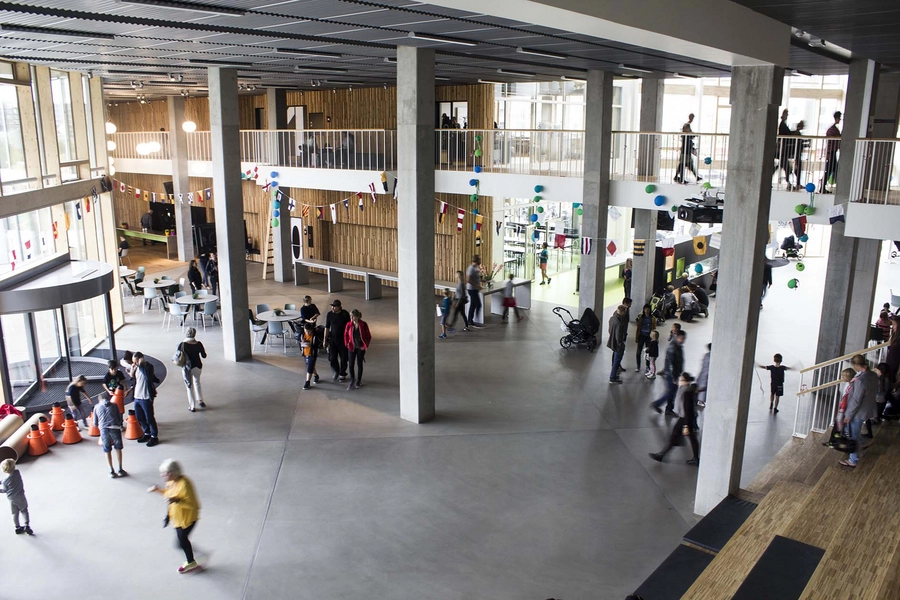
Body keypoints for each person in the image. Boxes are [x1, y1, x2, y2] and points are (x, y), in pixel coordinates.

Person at [147, 459, 202, 573]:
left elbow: (190, 504)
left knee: (181, 541)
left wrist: (176, 500)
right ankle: (190, 552)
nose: (162, 476)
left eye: (165, 473)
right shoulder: (171, 482)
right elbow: (169, 495)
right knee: (181, 541)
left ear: (173, 473)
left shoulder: (185, 484)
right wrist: (158, 490)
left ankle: (191, 562)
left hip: (188, 519)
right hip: (178, 518)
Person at [649, 373, 700, 465]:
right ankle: (662, 455)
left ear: (686, 382)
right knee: (680, 436)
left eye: (681, 380)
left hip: (685, 419)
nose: (679, 382)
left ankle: (662, 455)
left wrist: (686, 426)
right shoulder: (683, 390)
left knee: (687, 437)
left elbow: (688, 409)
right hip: (684, 418)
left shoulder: (686, 392)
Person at [839, 355, 879, 468]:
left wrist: (848, 415)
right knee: (851, 432)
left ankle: (853, 460)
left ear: (857, 365)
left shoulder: (860, 380)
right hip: (868, 408)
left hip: (858, 412)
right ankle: (862, 444)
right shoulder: (873, 375)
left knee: (853, 436)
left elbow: (856, 400)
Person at [651, 330, 686, 415]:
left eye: (684, 339)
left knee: (672, 392)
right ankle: (657, 404)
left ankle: (669, 409)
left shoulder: (678, 346)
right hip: (671, 375)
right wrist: (674, 378)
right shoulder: (673, 348)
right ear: (677, 337)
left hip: (675, 374)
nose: (683, 340)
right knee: (670, 392)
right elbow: (671, 365)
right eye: (681, 338)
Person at [93, 392, 126, 478]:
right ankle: (120, 469)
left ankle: (111, 471)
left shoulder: (96, 407)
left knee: (107, 449)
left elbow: (95, 423)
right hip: (115, 428)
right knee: (118, 448)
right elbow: (119, 418)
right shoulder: (114, 405)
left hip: (104, 430)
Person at [133, 352, 160, 446]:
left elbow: (147, 376)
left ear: (141, 359)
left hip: (146, 397)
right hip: (137, 396)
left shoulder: (148, 367)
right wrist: (133, 369)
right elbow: (134, 378)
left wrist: (140, 365)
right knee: (139, 416)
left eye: (136, 361)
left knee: (149, 418)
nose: (135, 363)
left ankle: (154, 436)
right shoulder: (137, 367)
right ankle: (147, 432)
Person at [0, 459, 31, 535]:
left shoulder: (5, 482)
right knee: (24, 510)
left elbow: (4, 490)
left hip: (12, 499)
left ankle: (17, 527)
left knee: (14, 513)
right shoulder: (17, 472)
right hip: (21, 496)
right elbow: (11, 479)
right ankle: (26, 525)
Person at [180, 328, 207, 412]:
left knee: (189, 386)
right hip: (198, 367)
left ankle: (192, 406)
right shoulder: (199, 344)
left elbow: (178, 356)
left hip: (187, 368)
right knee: (197, 382)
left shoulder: (182, 345)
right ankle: (200, 400)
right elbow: (204, 356)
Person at [344, 309, 371, 391]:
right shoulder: (349, 324)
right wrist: (347, 343)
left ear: (357, 316)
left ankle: (358, 380)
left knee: (359, 364)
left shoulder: (363, 324)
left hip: (360, 348)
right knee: (351, 364)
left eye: (352, 316)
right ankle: (352, 379)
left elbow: (368, 336)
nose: (351, 317)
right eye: (350, 316)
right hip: (351, 347)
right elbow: (345, 334)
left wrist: (365, 346)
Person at [325, 300, 351, 381]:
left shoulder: (345, 314)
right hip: (333, 339)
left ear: (339, 307)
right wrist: (325, 340)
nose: (332, 308)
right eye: (332, 306)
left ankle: (342, 373)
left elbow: (349, 327)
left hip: (343, 340)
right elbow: (327, 327)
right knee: (332, 357)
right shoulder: (329, 314)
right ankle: (336, 370)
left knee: (344, 358)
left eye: (334, 306)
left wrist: (349, 339)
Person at [674, 113, 700, 183]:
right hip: (685, 151)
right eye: (692, 117)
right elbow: (690, 135)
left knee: (686, 164)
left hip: (686, 150)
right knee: (684, 165)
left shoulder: (687, 127)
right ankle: (681, 178)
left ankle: (678, 177)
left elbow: (691, 135)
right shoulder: (686, 127)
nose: (692, 119)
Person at [820, 111, 841, 193]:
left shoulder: (833, 129)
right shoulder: (833, 130)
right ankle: (822, 187)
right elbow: (832, 142)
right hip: (831, 152)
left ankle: (823, 186)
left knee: (832, 169)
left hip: (832, 152)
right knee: (830, 170)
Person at [607, 305, 627, 384]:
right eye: (625, 312)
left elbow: (610, 330)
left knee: (615, 360)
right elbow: (618, 337)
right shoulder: (619, 323)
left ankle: (614, 375)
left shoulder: (612, 318)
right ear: (622, 312)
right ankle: (612, 378)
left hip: (613, 342)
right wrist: (622, 345)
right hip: (618, 345)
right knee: (616, 362)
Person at [634, 304, 657, 372]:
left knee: (648, 352)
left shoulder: (653, 318)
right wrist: (637, 337)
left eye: (648, 309)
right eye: (645, 309)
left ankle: (647, 366)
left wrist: (654, 337)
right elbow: (638, 328)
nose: (647, 311)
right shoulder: (641, 318)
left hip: (649, 337)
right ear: (643, 310)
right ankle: (638, 365)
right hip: (641, 336)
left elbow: (654, 328)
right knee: (639, 351)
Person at [301, 322, 323, 389]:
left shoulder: (314, 336)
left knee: (309, 368)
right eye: (306, 331)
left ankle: (307, 382)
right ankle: (316, 376)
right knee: (311, 367)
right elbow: (300, 343)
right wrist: (302, 344)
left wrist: (311, 345)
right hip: (305, 353)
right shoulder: (302, 335)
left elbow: (317, 346)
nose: (307, 333)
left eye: (308, 331)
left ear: (311, 330)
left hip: (312, 354)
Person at [466, 255, 484, 327]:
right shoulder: (471, 268)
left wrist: (482, 280)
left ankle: (470, 320)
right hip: (472, 289)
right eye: (479, 259)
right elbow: (468, 280)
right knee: (478, 304)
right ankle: (477, 320)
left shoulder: (475, 268)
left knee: (473, 305)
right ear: (476, 260)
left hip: (475, 289)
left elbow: (476, 278)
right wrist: (477, 286)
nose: (480, 261)